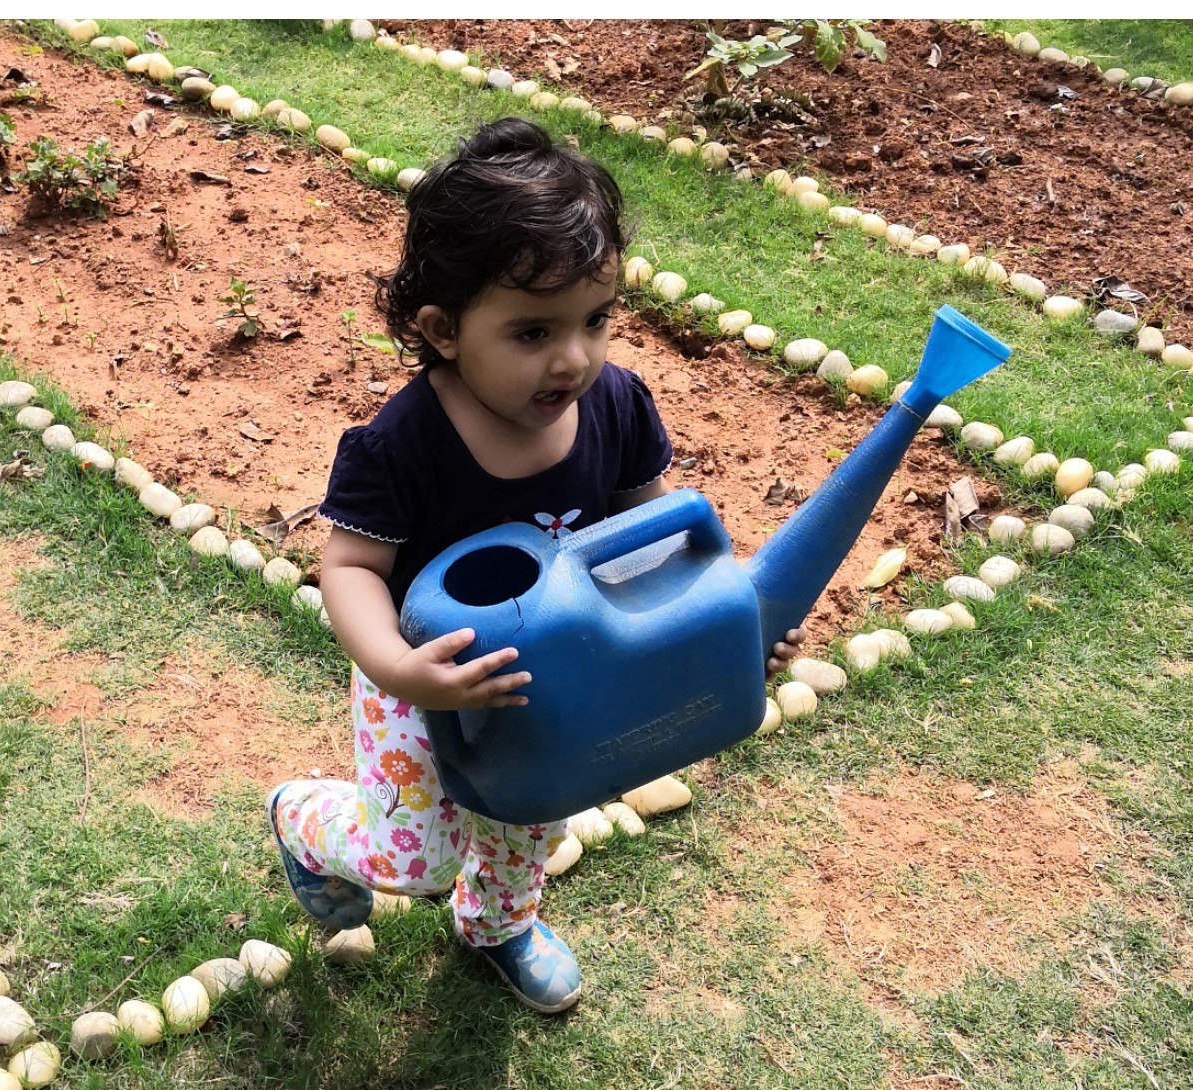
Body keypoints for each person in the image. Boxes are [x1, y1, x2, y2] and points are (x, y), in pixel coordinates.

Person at [267, 117, 798, 1014]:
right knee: (417, 860)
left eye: (597, 320)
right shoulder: (401, 444)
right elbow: (350, 568)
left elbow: (659, 547)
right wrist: (401, 668)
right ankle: (304, 820)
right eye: (533, 332)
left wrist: (728, 627)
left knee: (535, 810)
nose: (576, 357)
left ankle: (499, 924)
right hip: (426, 673)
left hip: (557, 676)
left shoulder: (620, 407)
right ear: (443, 330)